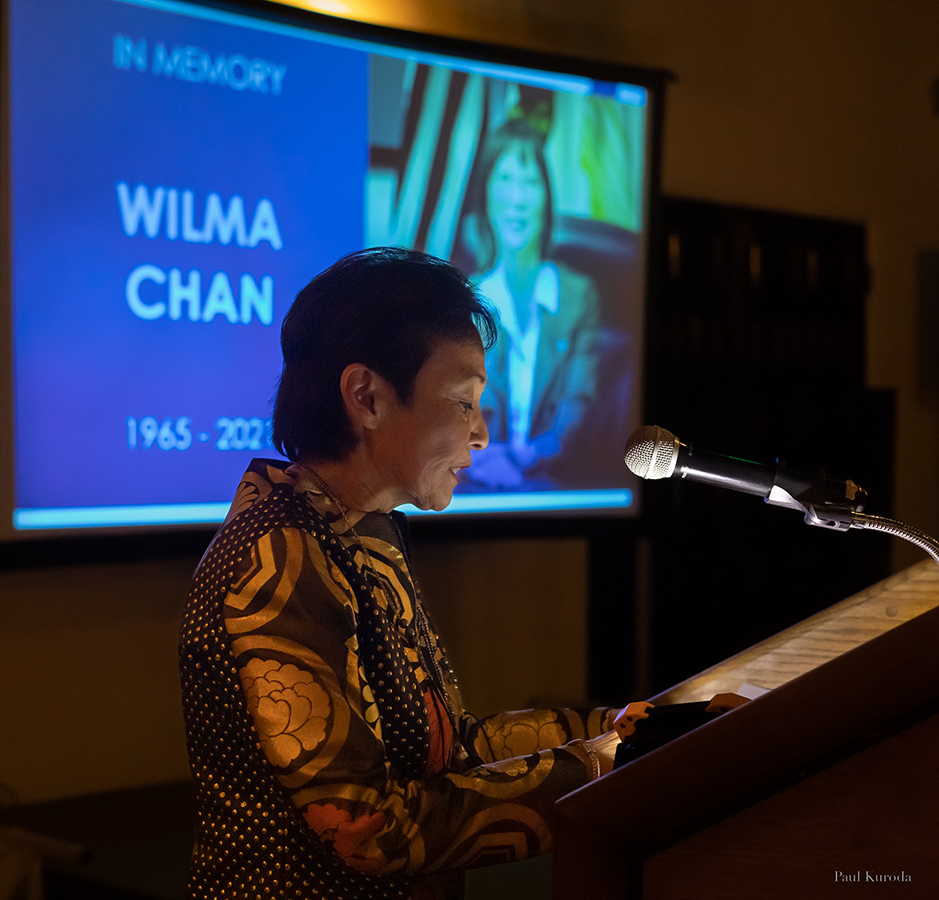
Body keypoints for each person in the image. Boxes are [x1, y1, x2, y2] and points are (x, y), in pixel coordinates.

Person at [179, 247, 641, 900]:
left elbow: (448, 746)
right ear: (365, 397)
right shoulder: (272, 558)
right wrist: (599, 770)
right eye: (462, 402)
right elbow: (367, 827)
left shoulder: (369, 530)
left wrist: (612, 729)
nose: (481, 435)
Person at [462, 116, 601, 488]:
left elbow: (578, 406)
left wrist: (527, 459)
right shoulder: (466, 301)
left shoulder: (578, 296)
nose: (518, 199)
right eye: (505, 180)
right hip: (478, 485)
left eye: (530, 182)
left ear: (546, 197)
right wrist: (478, 461)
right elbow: (456, 415)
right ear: (487, 196)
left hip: (551, 485)